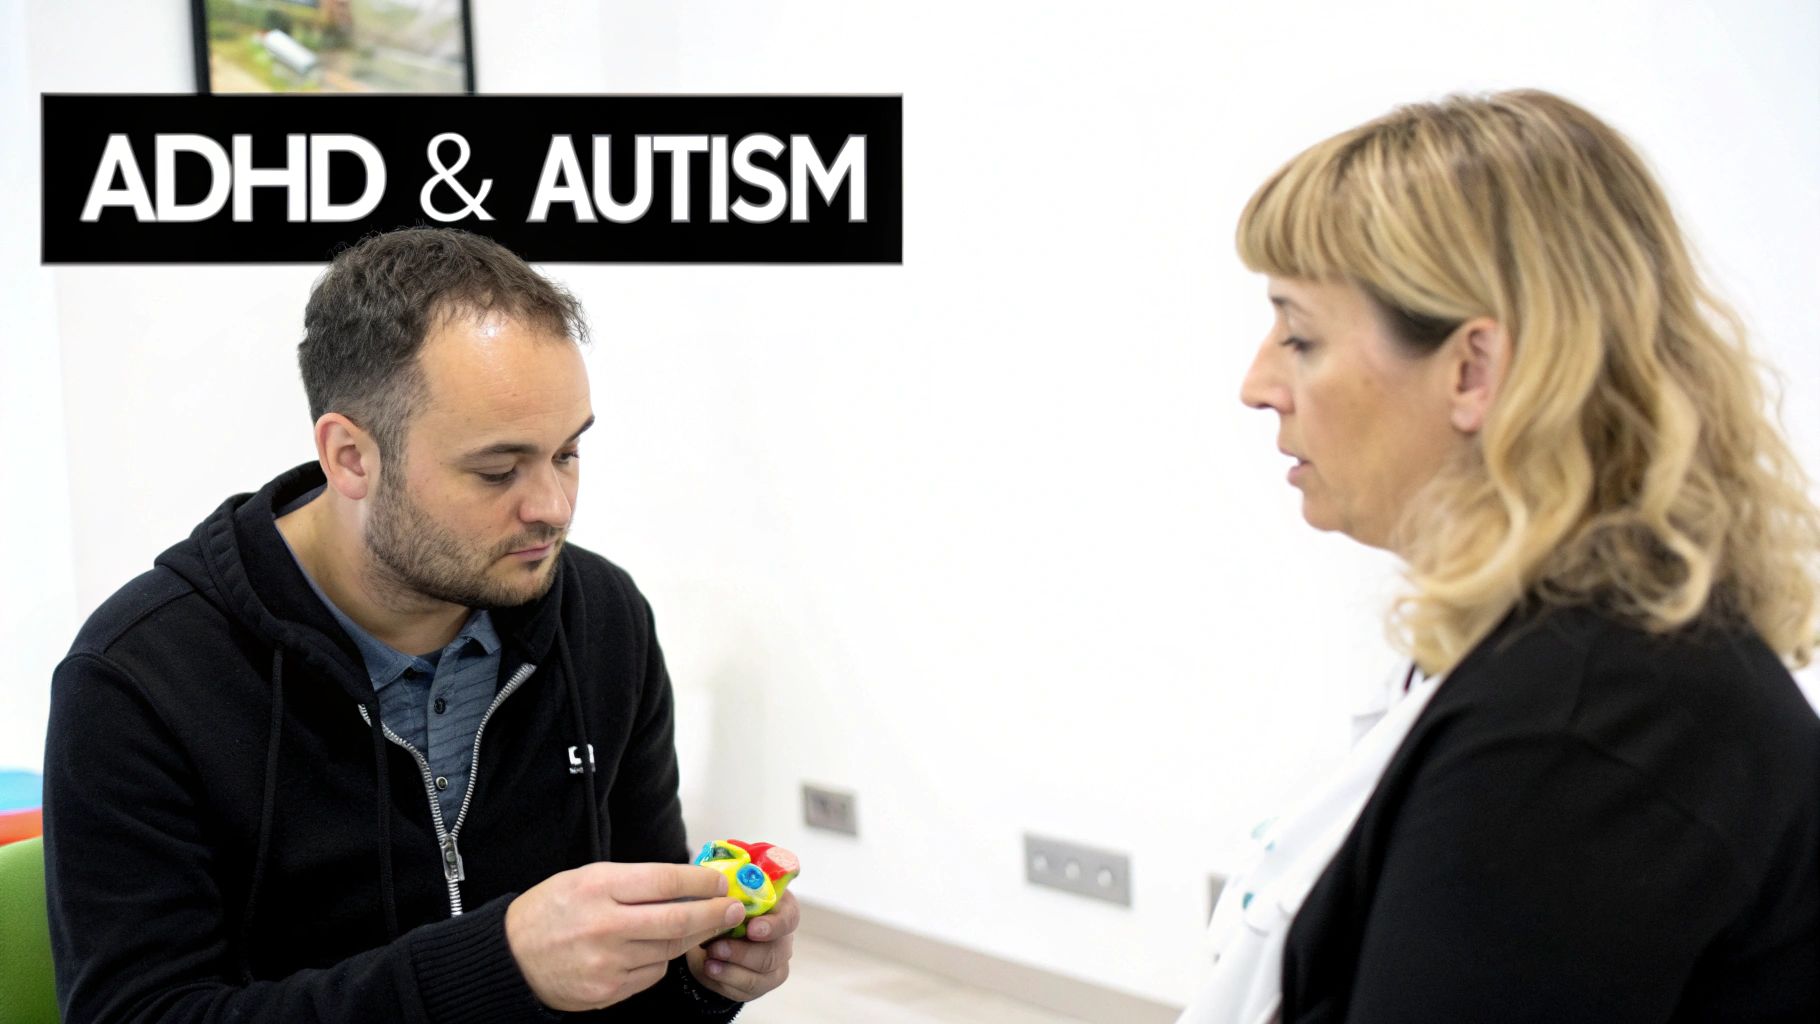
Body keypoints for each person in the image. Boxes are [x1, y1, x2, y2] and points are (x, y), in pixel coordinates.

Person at [43, 228, 798, 1022]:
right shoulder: (139, 677)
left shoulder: (603, 618)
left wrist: (699, 973)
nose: (553, 507)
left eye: (567, 454)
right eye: (498, 470)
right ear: (351, 457)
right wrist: (495, 966)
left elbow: (642, 988)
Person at [1182, 90, 1820, 1023]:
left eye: (1301, 334)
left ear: (1473, 370)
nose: (1258, 384)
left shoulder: (1583, 733)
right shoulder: (1573, 652)